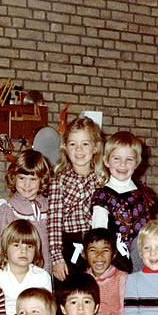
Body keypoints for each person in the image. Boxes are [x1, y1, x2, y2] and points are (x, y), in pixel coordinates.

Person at [47, 117, 105, 282]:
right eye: (73, 144)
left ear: (95, 147)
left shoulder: (102, 179)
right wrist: (57, 257)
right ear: (65, 148)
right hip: (69, 245)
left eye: (85, 144)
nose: (79, 149)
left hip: (97, 245)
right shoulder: (59, 180)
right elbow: (54, 221)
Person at [90, 131, 157, 271]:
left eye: (129, 159)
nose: (123, 164)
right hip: (116, 261)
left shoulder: (143, 193)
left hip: (144, 257)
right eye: (116, 159)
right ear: (106, 161)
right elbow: (99, 233)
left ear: (137, 163)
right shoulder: (103, 196)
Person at [0, 149, 52, 274]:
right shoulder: (9, 209)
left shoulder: (49, 205)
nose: (27, 184)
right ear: (13, 178)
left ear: (42, 179)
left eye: (33, 179)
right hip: (18, 272)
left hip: (46, 269)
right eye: (22, 178)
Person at [83, 228, 131, 315]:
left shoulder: (122, 278)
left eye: (105, 250)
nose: (99, 255)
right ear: (84, 254)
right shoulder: (82, 281)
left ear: (114, 254)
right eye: (93, 250)